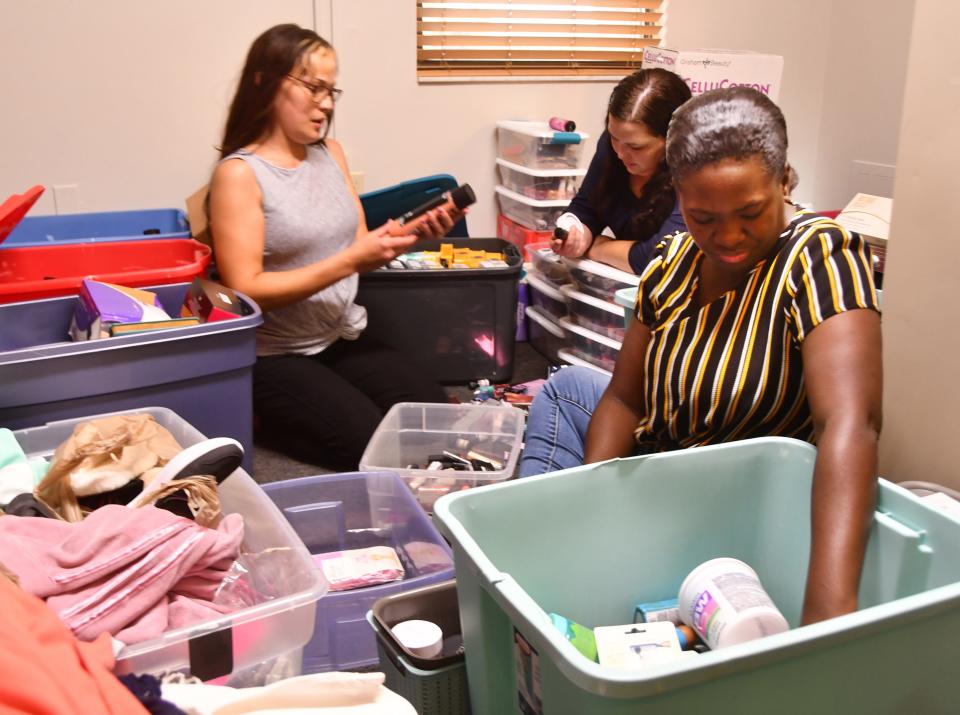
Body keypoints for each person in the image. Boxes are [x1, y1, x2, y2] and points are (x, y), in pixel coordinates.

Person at [522, 87, 882, 625]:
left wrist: (827, 618)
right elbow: (623, 399)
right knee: (566, 389)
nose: (729, 237)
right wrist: (588, 512)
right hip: (658, 467)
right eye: (703, 216)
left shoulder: (818, 256)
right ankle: (531, 561)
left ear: (784, 181)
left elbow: (850, 424)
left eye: (751, 212)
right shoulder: (672, 263)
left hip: (718, 502)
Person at [207, 24, 456, 471]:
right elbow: (248, 289)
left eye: (331, 90)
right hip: (274, 355)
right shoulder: (239, 175)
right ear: (265, 82)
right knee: (371, 449)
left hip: (340, 335)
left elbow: (359, 247)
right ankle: (264, 421)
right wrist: (349, 261)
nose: (325, 103)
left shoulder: (331, 153)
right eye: (313, 87)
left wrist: (411, 238)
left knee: (436, 420)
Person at [552, 67, 692, 274]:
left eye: (636, 147)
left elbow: (659, 257)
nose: (620, 153)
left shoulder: (695, 172)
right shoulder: (612, 148)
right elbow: (586, 207)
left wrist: (600, 248)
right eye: (613, 137)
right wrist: (577, 235)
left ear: (673, 140)